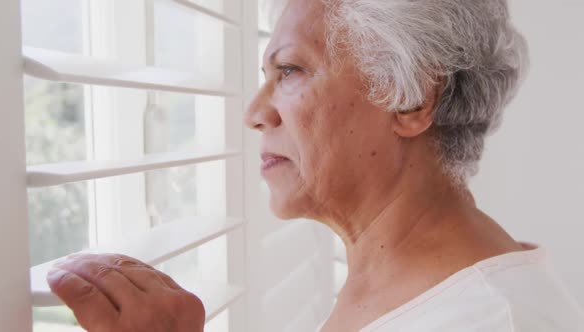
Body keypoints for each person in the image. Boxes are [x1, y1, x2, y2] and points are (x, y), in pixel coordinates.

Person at [48, 0, 584, 331]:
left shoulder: (491, 322)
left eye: (289, 70)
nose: (256, 113)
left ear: (411, 97)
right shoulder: (389, 288)